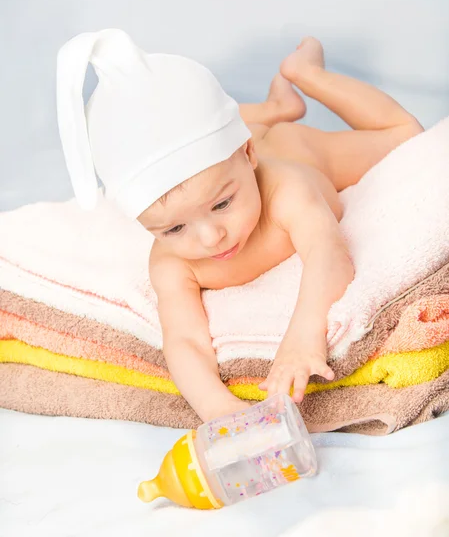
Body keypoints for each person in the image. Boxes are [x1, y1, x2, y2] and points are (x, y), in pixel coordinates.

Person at [57, 30, 423, 423]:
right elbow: (183, 340)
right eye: (174, 229)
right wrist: (218, 408)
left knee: (406, 135)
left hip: (293, 149)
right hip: (237, 147)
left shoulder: (288, 189)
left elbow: (329, 255)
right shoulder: (172, 264)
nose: (211, 237)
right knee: (216, 152)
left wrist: (303, 337)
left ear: (247, 154)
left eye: (223, 204)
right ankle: (272, 107)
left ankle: (305, 73)